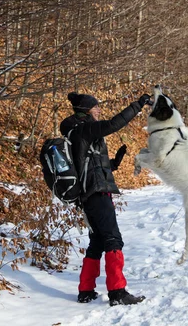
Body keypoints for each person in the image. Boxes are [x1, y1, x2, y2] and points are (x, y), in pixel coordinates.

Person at [60, 91, 151, 306]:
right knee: (113, 238)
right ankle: (117, 291)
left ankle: (85, 290)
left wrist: (113, 164)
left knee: (97, 241)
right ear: (86, 110)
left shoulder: (75, 132)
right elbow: (113, 124)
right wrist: (138, 105)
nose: (98, 110)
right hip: (96, 194)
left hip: (88, 194)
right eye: (95, 107)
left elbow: (87, 165)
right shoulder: (84, 128)